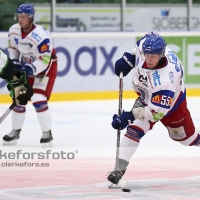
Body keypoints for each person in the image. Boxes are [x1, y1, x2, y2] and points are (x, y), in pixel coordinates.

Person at [107, 32, 199, 185]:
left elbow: (154, 114)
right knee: (134, 130)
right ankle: (119, 169)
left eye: (153, 56)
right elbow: (142, 43)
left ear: (161, 54)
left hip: (171, 106)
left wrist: (128, 116)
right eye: (147, 55)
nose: (149, 59)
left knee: (187, 140)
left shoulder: (165, 80)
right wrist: (128, 59)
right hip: (147, 97)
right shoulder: (148, 46)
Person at [3, 4, 57, 147]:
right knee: (19, 97)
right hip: (26, 64)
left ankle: (47, 133)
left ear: (30, 18)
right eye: (19, 16)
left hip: (46, 66)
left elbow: (45, 59)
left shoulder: (41, 35)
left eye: (23, 17)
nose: (20, 20)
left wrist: (31, 69)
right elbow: (13, 49)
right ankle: (15, 131)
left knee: (38, 98)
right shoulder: (14, 31)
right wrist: (15, 63)